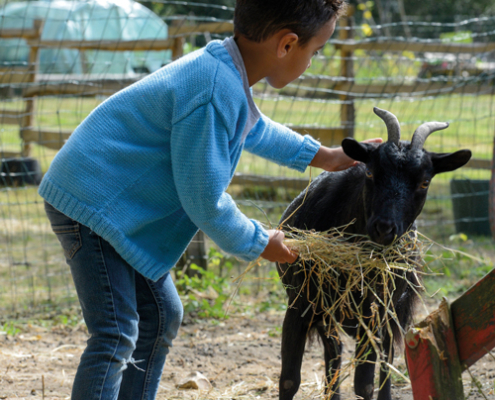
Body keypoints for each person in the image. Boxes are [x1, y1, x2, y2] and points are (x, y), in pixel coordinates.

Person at [39, 0, 380, 399]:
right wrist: (257, 241)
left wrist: (325, 157)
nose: (312, 61)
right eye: (316, 51)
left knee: (162, 314)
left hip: (108, 206)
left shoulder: (224, 72)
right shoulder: (213, 88)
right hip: (91, 203)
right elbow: (203, 199)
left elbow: (256, 129)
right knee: (115, 332)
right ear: (287, 45)